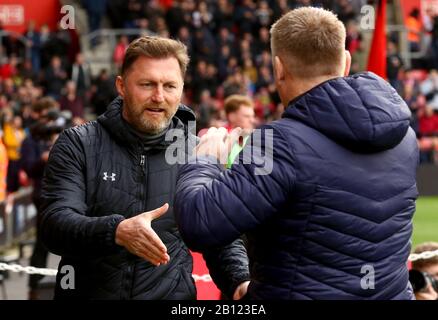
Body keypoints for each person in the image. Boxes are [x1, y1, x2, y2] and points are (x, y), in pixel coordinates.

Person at [174, 7, 418, 300]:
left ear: (278, 69)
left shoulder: (279, 143)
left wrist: (205, 161)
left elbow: (200, 223)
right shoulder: (404, 135)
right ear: (346, 63)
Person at [40, 36, 250, 300]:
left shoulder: (198, 154)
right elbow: (54, 224)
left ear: (182, 89)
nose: (159, 97)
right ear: (121, 86)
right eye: (147, 84)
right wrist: (116, 231)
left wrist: (239, 280)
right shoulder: (79, 143)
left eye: (170, 86)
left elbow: (220, 234)